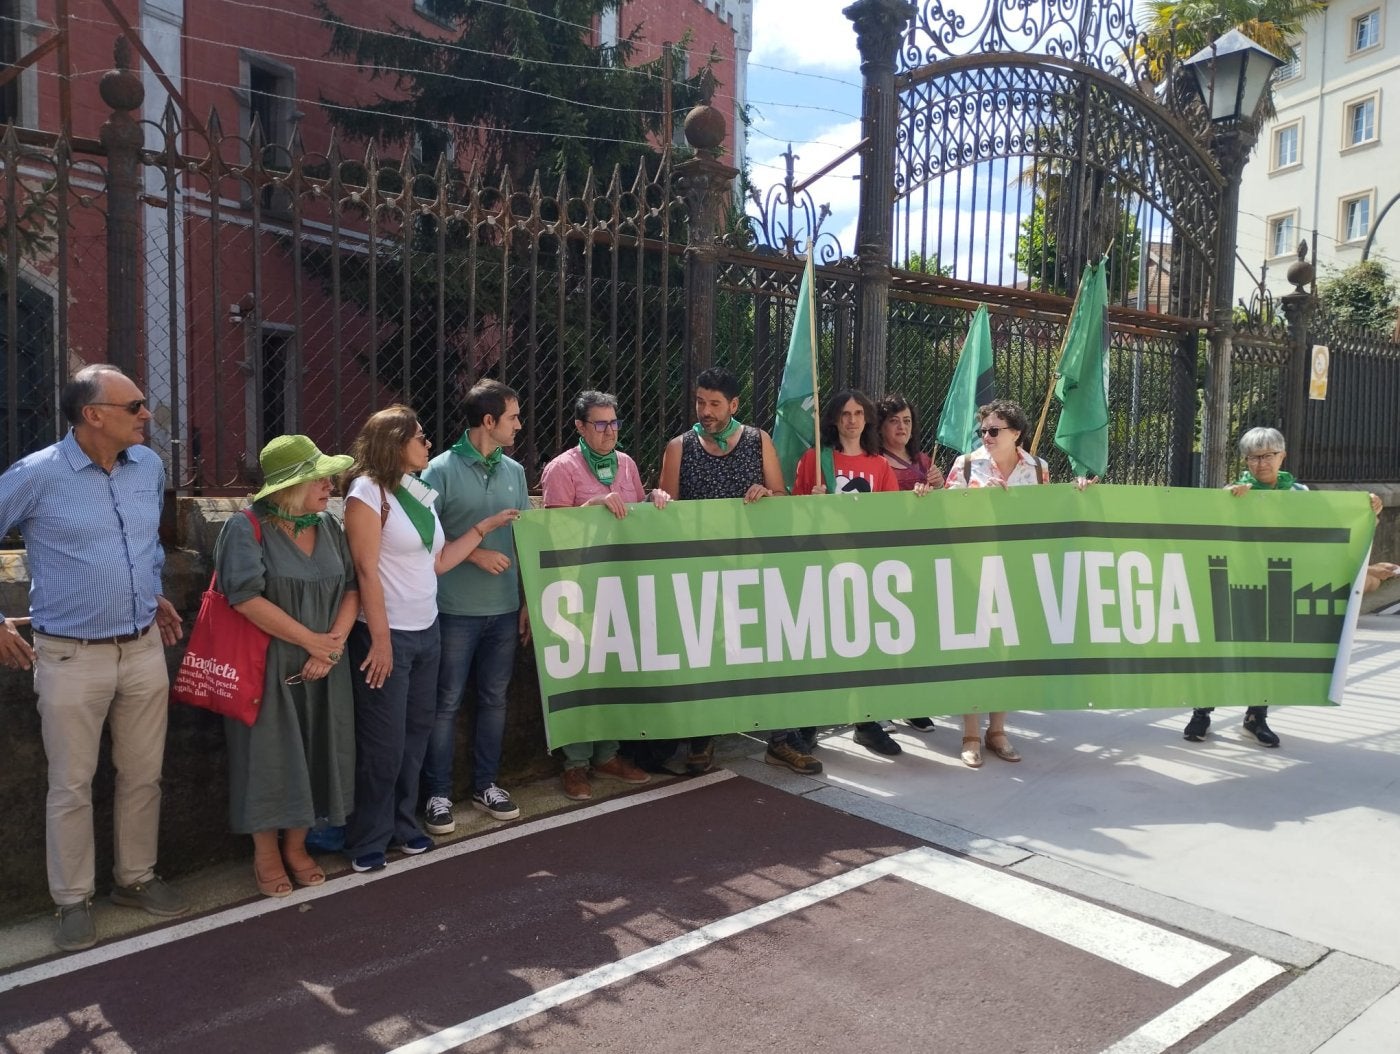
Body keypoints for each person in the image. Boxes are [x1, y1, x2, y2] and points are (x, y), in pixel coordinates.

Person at [0, 364, 188, 951]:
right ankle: (71, 901)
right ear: (93, 415)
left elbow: (142, 544)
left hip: (141, 647)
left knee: (143, 775)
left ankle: (134, 880)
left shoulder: (148, 467)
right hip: (69, 655)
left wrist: (151, 591)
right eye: (135, 405)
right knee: (71, 784)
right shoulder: (36, 475)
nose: (147, 414)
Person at [342, 407, 521, 871]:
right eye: (420, 438)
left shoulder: (416, 490)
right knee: (383, 743)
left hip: (428, 631)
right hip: (388, 637)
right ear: (394, 443)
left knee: (415, 735)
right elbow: (365, 570)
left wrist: (483, 529)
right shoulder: (366, 493)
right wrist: (379, 640)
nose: (427, 444)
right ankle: (369, 838)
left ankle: (404, 826)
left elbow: (437, 561)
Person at [213, 435, 359, 897]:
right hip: (269, 669)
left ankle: (297, 845)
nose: (329, 486)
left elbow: (353, 588)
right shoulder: (246, 528)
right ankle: (266, 852)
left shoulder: (330, 526)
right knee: (269, 758)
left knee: (320, 749)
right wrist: (314, 643)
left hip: (326, 665)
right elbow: (244, 598)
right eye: (318, 478)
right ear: (289, 485)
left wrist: (332, 646)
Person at [657, 366, 817, 776]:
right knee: (704, 654)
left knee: (770, 653)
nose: (706, 411)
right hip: (700, 573)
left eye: (714, 403)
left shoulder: (757, 440)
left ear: (734, 405)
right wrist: (656, 499)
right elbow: (664, 510)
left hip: (755, 570)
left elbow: (781, 498)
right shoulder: (679, 447)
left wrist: (768, 494)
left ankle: (779, 740)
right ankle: (702, 738)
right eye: (700, 402)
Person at [1183, 426, 1384, 749]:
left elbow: (1334, 529)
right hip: (1235, 581)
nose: (1260, 464)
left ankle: (1255, 717)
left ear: (1282, 457)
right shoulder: (1233, 492)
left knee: (1267, 650)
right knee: (1221, 647)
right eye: (1252, 458)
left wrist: (1368, 510)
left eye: (1267, 456)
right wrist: (1231, 502)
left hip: (1279, 585)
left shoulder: (1301, 495)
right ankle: (1202, 711)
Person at [540, 390, 663, 799]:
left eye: (614, 423)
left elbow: (634, 519)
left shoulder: (625, 463)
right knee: (580, 675)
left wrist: (654, 499)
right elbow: (553, 531)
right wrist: (593, 504)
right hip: (577, 588)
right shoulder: (562, 469)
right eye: (600, 424)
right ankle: (575, 764)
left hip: (621, 584)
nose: (610, 431)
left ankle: (608, 754)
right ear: (579, 426)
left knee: (615, 669)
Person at [421, 380, 533, 829]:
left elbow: (525, 538)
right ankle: (437, 796)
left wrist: (526, 600)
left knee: (494, 699)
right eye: (513, 417)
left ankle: (487, 784)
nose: (519, 424)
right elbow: (422, 543)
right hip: (452, 611)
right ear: (488, 421)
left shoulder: (516, 472)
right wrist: (475, 550)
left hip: (505, 610)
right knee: (445, 703)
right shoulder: (438, 471)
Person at [791, 390, 906, 759]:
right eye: (845, 413)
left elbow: (889, 518)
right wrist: (813, 501)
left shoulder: (880, 465)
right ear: (834, 420)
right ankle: (808, 724)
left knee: (863, 648)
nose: (852, 420)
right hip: (821, 566)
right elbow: (792, 515)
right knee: (818, 648)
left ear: (867, 419)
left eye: (858, 413)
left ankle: (866, 723)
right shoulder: (814, 460)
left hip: (865, 567)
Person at [943, 399, 1053, 768]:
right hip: (973, 567)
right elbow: (945, 515)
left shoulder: (1039, 469)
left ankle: (998, 729)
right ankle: (971, 732)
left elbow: (1049, 516)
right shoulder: (966, 464)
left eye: (994, 430)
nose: (986, 437)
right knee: (973, 648)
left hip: (1018, 569)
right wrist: (974, 500)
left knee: (1009, 648)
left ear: (1016, 433)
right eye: (983, 431)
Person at [876, 392, 943, 735]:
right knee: (887, 633)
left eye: (907, 421)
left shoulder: (921, 458)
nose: (902, 427)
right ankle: (883, 707)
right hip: (887, 555)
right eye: (893, 421)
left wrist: (939, 485)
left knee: (917, 634)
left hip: (919, 557)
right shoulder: (876, 460)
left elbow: (938, 507)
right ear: (881, 426)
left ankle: (912, 703)